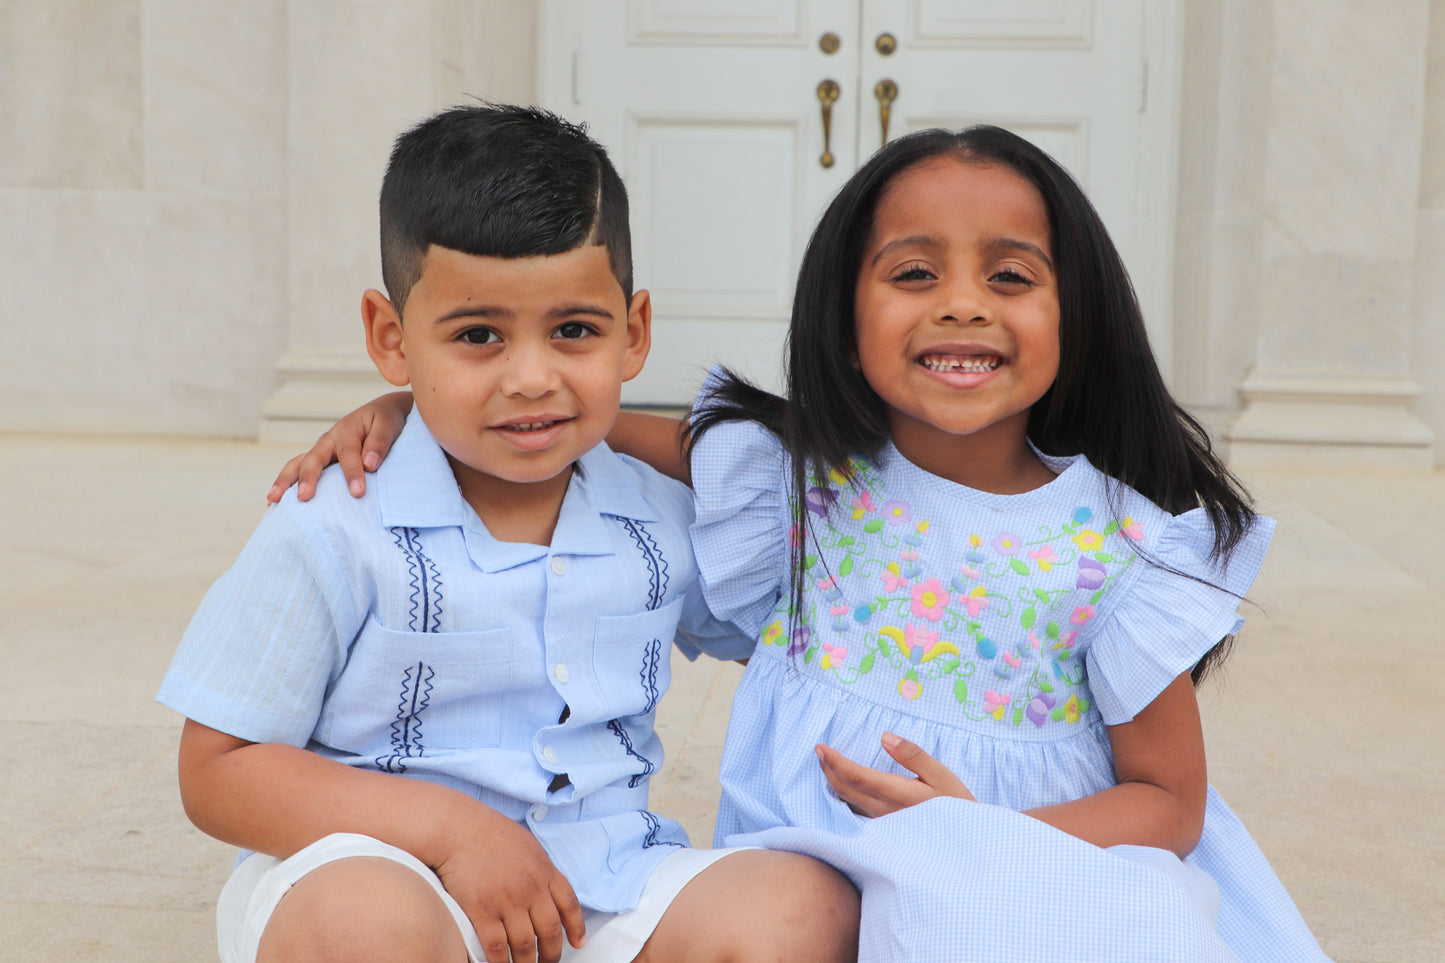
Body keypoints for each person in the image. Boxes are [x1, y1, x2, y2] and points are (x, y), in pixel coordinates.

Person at [272, 125, 1332, 961]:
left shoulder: (1119, 545)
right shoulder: (793, 478)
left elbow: (1167, 803)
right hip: (807, 894)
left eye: (1010, 277)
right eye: (912, 274)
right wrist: (407, 410)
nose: (962, 305)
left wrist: (983, 832)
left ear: (1076, 312)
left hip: (1035, 876)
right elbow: (563, 420)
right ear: (843, 311)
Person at [158, 103, 860, 963]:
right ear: (391, 338)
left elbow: (811, 624)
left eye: (574, 330)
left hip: (603, 885)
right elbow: (218, 766)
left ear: (633, 332)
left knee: (804, 907)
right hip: (385, 874)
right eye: (478, 335)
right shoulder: (335, 521)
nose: (531, 378)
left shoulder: (661, 518)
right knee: (357, 923)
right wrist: (453, 830)